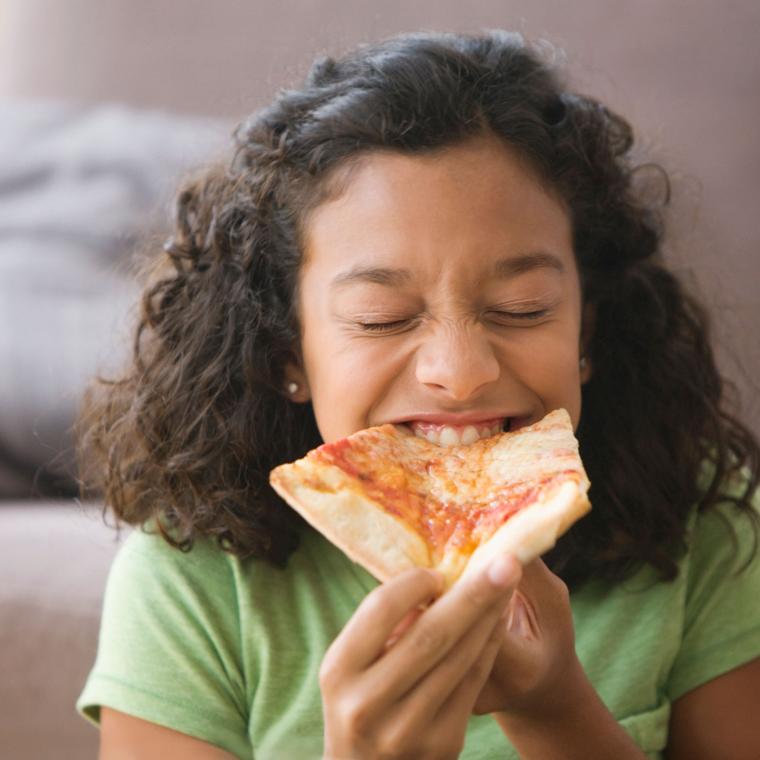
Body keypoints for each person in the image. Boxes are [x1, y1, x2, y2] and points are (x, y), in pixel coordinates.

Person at [76, 30, 760, 759]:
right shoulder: (188, 577)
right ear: (287, 354)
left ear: (586, 332)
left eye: (522, 307)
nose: (459, 371)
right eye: (383, 319)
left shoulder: (704, 518)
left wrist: (556, 710)